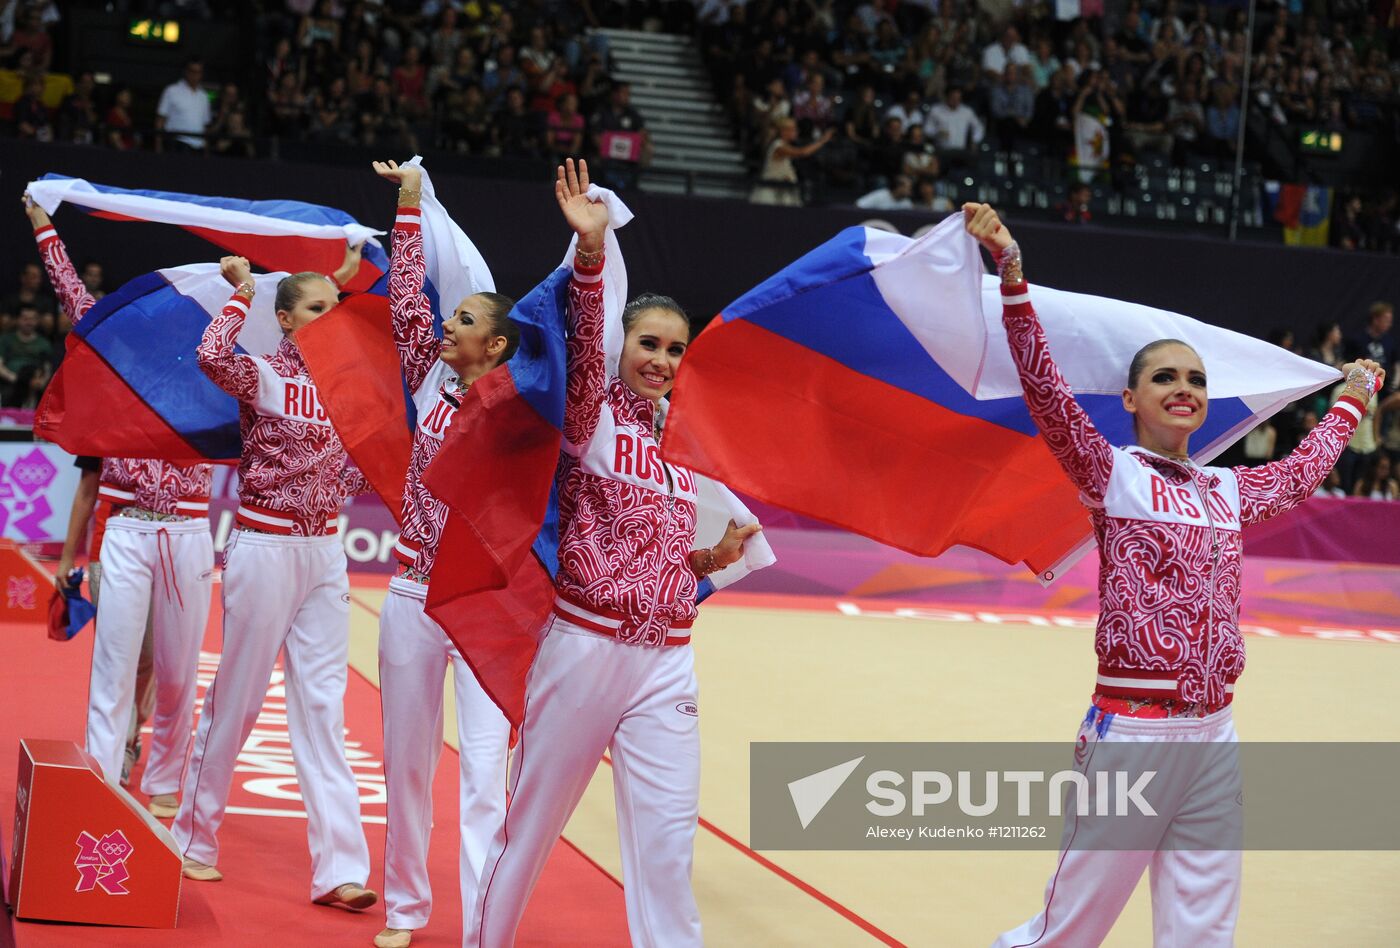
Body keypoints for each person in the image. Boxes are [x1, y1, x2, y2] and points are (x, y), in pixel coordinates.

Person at [966, 201, 1384, 948]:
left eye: (1194, 377)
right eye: (1164, 377)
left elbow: (1298, 473)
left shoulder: (1228, 490)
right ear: (1132, 400)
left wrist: (1350, 402)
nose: (1183, 386)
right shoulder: (1111, 474)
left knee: (1203, 929)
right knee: (1069, 930)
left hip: (1215, 730)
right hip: (1132, 730)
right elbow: (1047, 394)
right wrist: (1013, 275)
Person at [467, 159, 760, 947]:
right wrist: (592, 257)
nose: (661, 360)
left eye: (674, 349)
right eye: (648, 343)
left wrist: (707, 561)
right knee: (528, 831)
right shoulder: (591, 416)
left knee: (667, 852)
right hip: (584, 646)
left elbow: (655, 548)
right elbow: (585, 343)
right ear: (624, 344)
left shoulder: (687, 445)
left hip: (668, 662)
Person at [172, 245, 379, 915]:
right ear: (286, 321)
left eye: (336, 307)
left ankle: (339, 870)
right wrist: (242, 294)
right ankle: (192, 839)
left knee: (323, 707)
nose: (332, 317)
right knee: (237, 695)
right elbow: (209, 356)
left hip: (325, 553)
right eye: (317, 308)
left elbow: (362, 456)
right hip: (262, 543)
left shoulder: (350, 384)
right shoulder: (262, 373)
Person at [367, 159, 517, 948]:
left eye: (459, 320)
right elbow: (402, 296)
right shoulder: (430, 385)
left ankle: (484, 923)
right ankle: (404, 907)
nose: (443, 326)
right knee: (407, 762)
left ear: (494, 343)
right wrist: (410, 203)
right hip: (413, 593)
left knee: (486, 775)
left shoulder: (523, 409)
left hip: (485, 601)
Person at [26, 197, 213, 819]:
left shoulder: (213, 369)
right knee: (114, 661)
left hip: (187, 530)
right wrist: (42, 224)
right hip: (125, 528)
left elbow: (286, 322)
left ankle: (163, 779)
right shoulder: (116, 363)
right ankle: (103, 773)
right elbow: (72, 293)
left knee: (178, 667)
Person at [749, 117, 832, 207]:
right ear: (784, 132)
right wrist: (822, 141)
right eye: (793, 130)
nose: (796, 132)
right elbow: (802, 152)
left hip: (783, 190)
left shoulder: (785, 145)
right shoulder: (778, 146)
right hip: (771, 192)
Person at [156, 58, 211, 152]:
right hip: (177, 143)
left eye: (198, 72)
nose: (195, 75)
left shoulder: (203, 96)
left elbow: (204, 126)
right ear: (186, 72)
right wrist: (158, 147)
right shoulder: (171, 91)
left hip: (198, 146)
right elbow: (160, 120)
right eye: (192, 71)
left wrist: (206, 149)